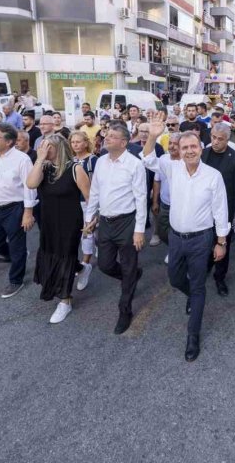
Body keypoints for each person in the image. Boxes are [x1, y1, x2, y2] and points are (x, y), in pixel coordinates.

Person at [142, 118, 229, 361]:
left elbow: (221, 210)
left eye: (194, 147)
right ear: (179, 151)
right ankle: (192, 295)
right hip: (176, 238)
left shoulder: (213, 176)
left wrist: (221, 242)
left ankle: (193, 335)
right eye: (185, 147)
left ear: (201, 149)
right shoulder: (171, 167)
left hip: (202, 239)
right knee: (175, 278)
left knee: (199, 286)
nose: (189, 151)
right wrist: (153, 135)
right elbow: (148, 159)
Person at [83, 123, 147, 335]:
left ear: (123, 142)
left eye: (112, 136)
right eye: (106, 135)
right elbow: (95, 192)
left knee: (128, 265)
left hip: (127, 223)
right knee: (105, 264)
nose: (106, 138)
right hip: (106, 222)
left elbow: (141, 198)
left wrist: (139, 230)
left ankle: (125, 310)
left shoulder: (134, 164)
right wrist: (89, 218)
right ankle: (132, 276)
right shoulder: (101, 161)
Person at [26, 135, 90, 324]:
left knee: (65, 255)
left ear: (59, 148)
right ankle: (82, 268)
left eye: (48, 147)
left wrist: (91, 221)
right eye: (42, 147)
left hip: (70, 221)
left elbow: (89, 196)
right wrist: (39, 159)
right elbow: (31, 184)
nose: (44, 150)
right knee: (51, 252)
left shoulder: (75, 169)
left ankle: (65, 300)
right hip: (48, 219)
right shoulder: (44, 168)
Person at [0, 123, 37, 299]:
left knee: (17, 244)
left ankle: (16, 280)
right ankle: (14, 255)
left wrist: (28, 213)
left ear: (9, 141)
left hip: (15, 208)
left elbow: (30, 187)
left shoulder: (22, 159)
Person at [200, 123, 235, 297]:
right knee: (203, 246)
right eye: (213, 137)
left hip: (224, 212)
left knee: (222, 247)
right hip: (203, 211)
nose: (216, 141)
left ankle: (220, 278)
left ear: (227, 139)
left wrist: (233, 217)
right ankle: (202, 273)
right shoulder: (203, 154)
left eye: (220, 139)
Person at [69, 130, 99, 290]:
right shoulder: (71, 160)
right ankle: (86, 263)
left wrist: (96, 204)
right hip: (74, 203)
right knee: (84, 233)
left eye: (78, 142)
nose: (75, 145)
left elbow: (98, 182)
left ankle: (86, 263)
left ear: (86, 143)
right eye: (73, 142)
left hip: (90, 201)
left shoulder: (93, 160)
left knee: (89, 231)